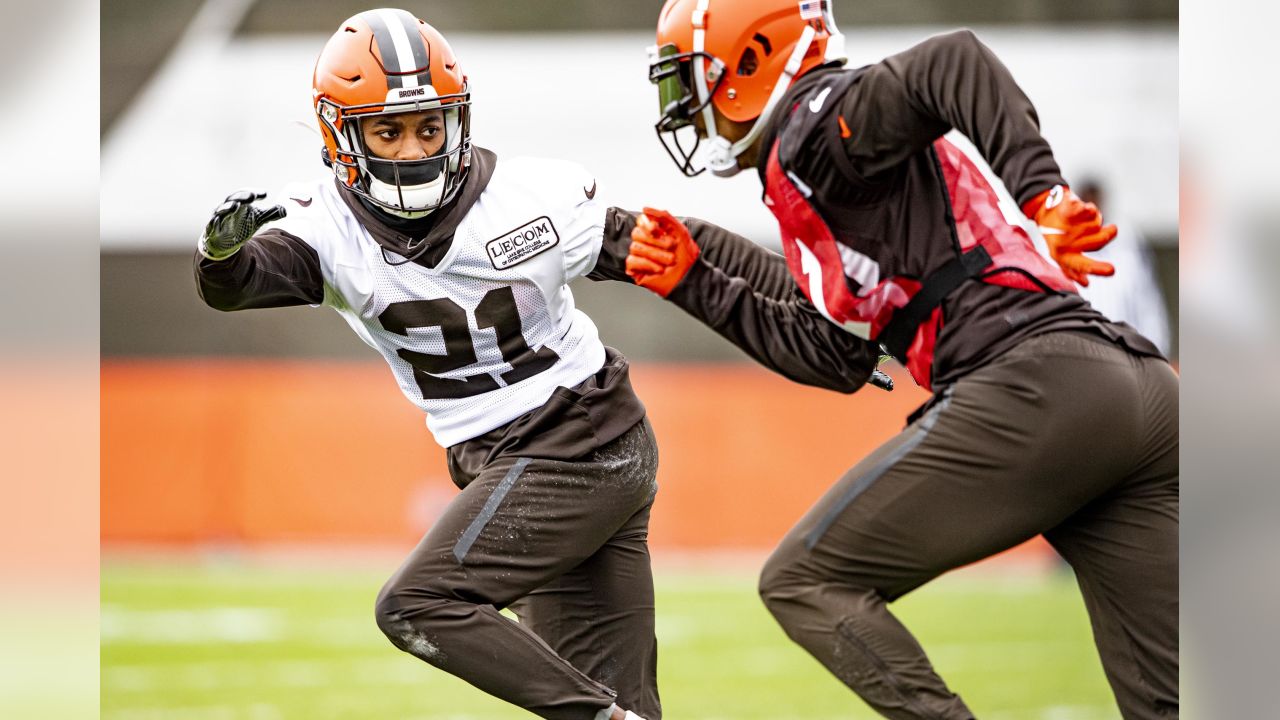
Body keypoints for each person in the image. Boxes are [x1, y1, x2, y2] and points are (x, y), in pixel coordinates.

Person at [615, 1, 1180, 718]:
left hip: (1038, 386)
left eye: (690, 80)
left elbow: (954, 60)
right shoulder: (815, 171)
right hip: (1129, 387)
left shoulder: (815, 127)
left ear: (750, 64)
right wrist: (696, 279)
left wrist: (1045, 193)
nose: (687, 109)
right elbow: (830, 354)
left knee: (803, 580)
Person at [194, 9, 662, 720]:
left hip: (569, 440)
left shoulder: (521, 195)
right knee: (619, 693)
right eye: (387, 130)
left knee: (417, 604)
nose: (413, 150)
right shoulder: (325, 226)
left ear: (458, 122)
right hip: (527, 452)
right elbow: (242, 284)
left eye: (428, 126)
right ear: (339, 133)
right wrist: (219, 260)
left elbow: (666, 256)